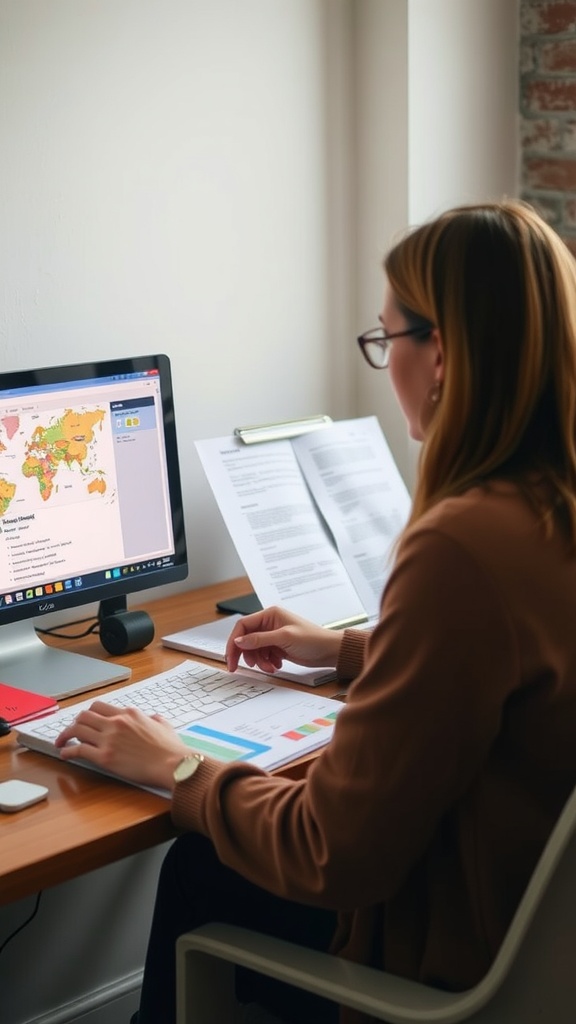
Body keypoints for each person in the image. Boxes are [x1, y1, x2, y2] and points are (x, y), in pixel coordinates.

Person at [56, 200, 576, 1024]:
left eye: (385, 340)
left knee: (199, 868)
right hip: (543, 950)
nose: (386, 362)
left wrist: (176, 765)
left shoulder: (462, 546)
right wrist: (346, 651)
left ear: (438, 352)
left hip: (456, 973)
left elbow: (331, 853)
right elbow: (512, 672)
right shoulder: (549, 509)